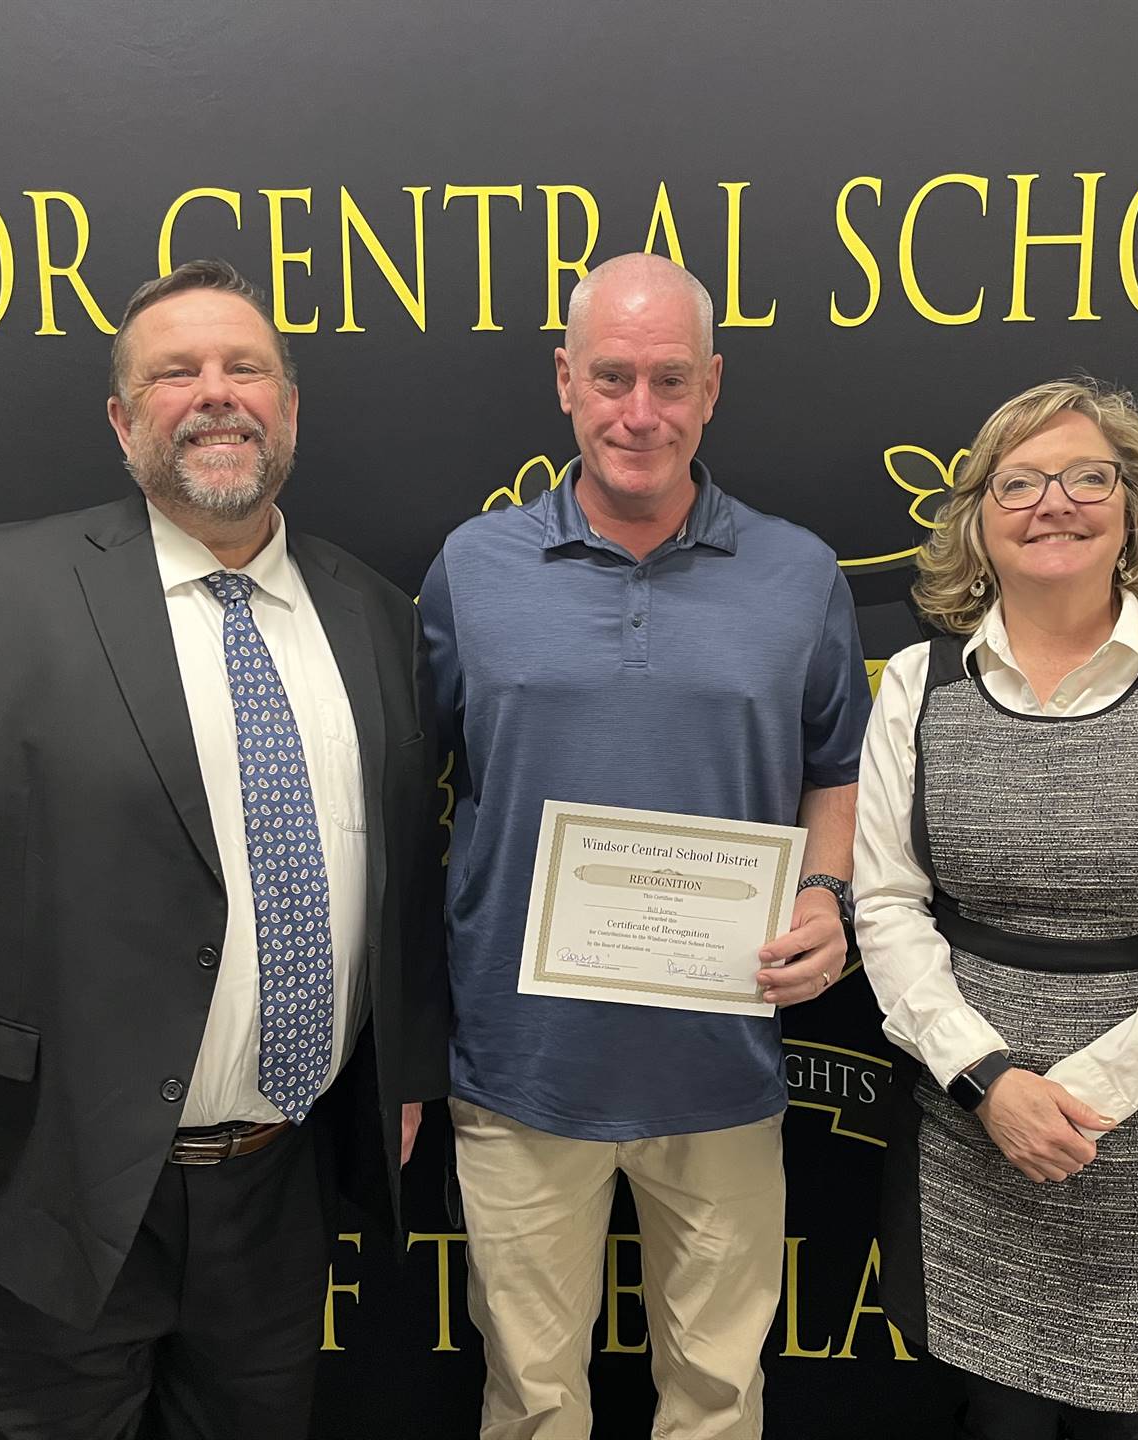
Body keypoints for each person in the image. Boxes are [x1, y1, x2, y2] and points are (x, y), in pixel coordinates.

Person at [0, 259, 449, 1439]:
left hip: (280, 1184)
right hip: (49, 1183)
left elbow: (403, 875)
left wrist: (402, 1071)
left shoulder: (374, 614)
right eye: (176, 373)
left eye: (245, 368)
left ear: (290, 409)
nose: (216, 393)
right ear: (122, 421)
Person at [419, 251, 871, 1440]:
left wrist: (827, 894)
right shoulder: (472, 569)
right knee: (532, 1402)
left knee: (719, 1399)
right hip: (522, 1069)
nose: (640, 412)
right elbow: (407, 787)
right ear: (564, 381)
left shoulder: (799, 573)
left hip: (720, 1065)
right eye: (612, 376)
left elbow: (837, 770)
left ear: (711, 387)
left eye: (670, 379)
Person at [853, 378, 1138, 1439]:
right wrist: (986, 1082)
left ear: (1131, 509)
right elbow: (886, 905)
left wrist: (1085, 1097)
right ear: (978, 518)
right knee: (994, 1418)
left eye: (1087, 478)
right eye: (1018, 483)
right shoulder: (917, 687)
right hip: (967, 1127)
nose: (1053, 503)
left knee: (1129, 1419)